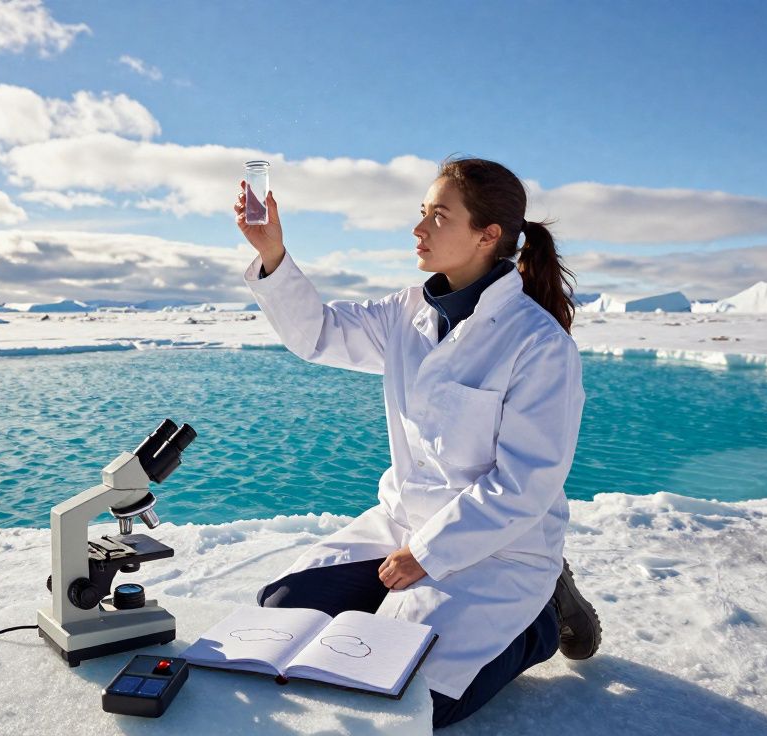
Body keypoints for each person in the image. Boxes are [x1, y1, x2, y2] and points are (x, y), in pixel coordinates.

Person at [234, 156, 601, 729]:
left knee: (406, 692)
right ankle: (396, 611)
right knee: (282, 613)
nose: (419, 228)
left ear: (488, 235)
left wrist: (427, 556)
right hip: (403, 525)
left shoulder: (539, 346)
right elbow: (319, 334)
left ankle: (542, 621)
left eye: (438, 215)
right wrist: (273, 253)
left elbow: (524, 484)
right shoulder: (406, 312)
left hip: (497, 548)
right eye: (421, 212)